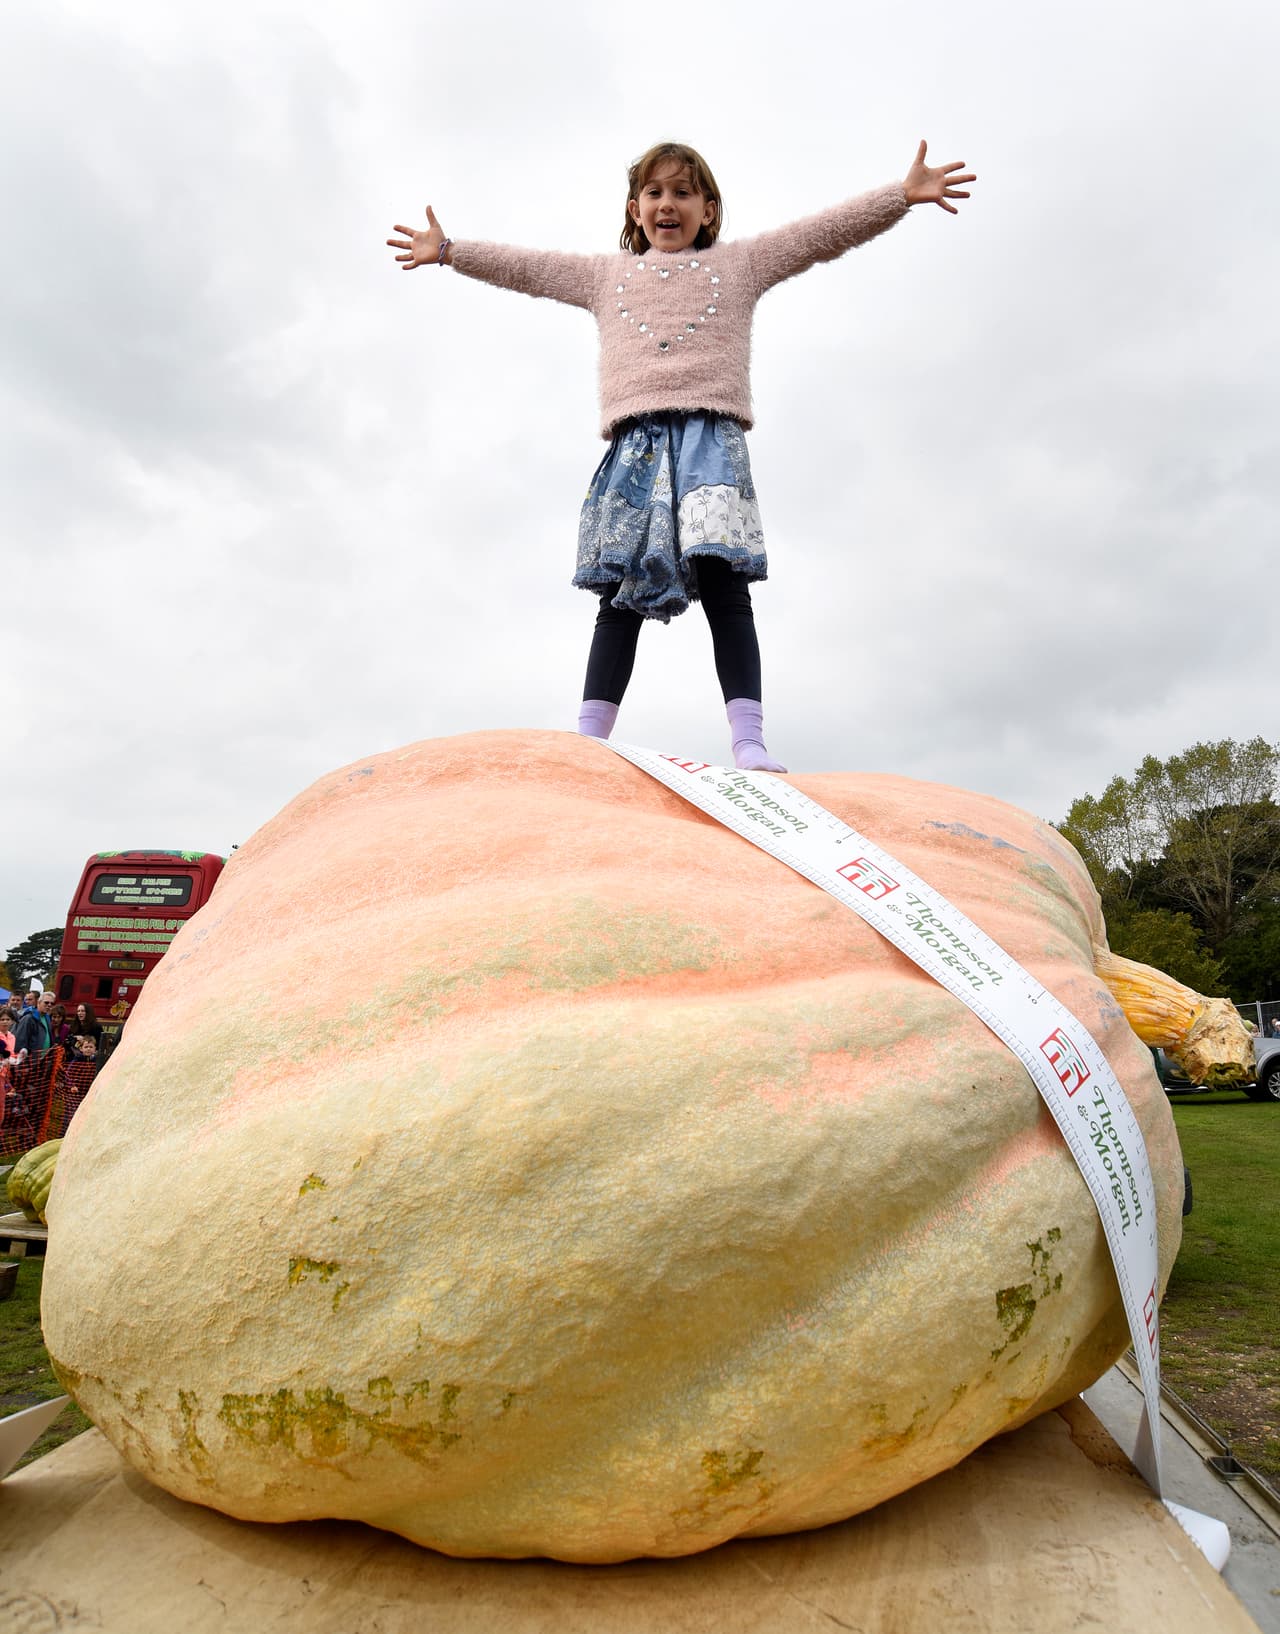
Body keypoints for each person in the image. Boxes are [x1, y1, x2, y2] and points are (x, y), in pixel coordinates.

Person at [388, 140, 974, 770]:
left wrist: (899, 197)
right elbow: (527, 267)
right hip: (636, 451)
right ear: (635, 209)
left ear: (709, 209)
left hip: (708, 449)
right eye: (656, 192)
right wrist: (449, 252)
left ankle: (748, 741)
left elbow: (819, 234)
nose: (669, 204)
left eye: (683, 192)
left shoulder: (742, 265)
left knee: (727, 592)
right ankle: (589, 741)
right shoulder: (603, 276)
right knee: (618, 600)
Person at [14, 991, 55, 1059]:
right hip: (29, 1062)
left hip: (42, 1062)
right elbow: (19, 1042)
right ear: (39, 1002)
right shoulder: (28, 1018)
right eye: (46, 1002)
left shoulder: (47, 1018)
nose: (49, 1005)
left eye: (52, 1003)